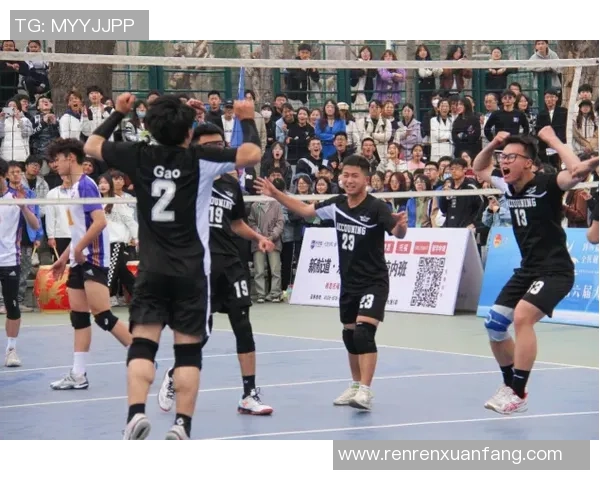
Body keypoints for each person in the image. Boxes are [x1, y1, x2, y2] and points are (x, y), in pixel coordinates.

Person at [83, 93, 262, 440]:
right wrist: (246, 117)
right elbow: (252, 154)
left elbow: (91, 145)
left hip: (151, 270)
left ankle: (136, 414)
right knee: (188, 351)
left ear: (150, 128)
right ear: (189, 132)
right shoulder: (201, 158)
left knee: (143, 345)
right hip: (192, 272)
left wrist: (118, 112)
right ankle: (182, 425)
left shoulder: (139, 154)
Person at [255, 155, 408, 411]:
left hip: (374, 282)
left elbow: (398, 233)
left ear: (366, 179)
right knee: (350, 335)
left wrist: (401, 226)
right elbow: (305, 211)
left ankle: (366, 390)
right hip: (348, 283)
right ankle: (355, 385)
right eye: (345, 175)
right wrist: (276, 194)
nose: (349, 180)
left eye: (355, 176)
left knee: (364, 333)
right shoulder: (337, 204)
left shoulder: (377, 207)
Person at [473, 127, 598, 415]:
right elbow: (479, 168)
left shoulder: (548, 183)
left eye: (511, 157)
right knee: (494, 325)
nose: (504, 162)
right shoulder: (507, 186)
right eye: (503, 157)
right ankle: (509, 386)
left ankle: (518, 392)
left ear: (529, 163)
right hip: (528, 269)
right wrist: (493, 144)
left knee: (522, 316)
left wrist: (553, 140)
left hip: (556, 271)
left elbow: (577, 172)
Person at [157, 123, 275, 416]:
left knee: (243, 327)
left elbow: (237, 223)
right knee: (202, 332)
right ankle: (174, 374)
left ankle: (249, 395)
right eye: (208, 146)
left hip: (231, 264)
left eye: (220, 145)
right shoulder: (186, 180)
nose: (216, 150)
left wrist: (258, 237)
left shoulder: (231, 184)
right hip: (199, 268)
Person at [47, 139, 133, 390]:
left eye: (58, 159)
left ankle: (143, 356)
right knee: (79, 318)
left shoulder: (86, 185)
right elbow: (77, 231)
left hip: (93, 258)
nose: (55, 164)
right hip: (78, 259)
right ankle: (78, 374)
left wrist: (79, 249)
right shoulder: (72, 189)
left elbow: (99, 222)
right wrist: (64, 258)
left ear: (71, 158)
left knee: (103, 316)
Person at [0, 156, 40, 367]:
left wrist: (24, 207)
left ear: (3, 176)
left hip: (9, 260)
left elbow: (34, 225)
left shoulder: (16, 197)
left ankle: (11, 350)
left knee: (12, 306)